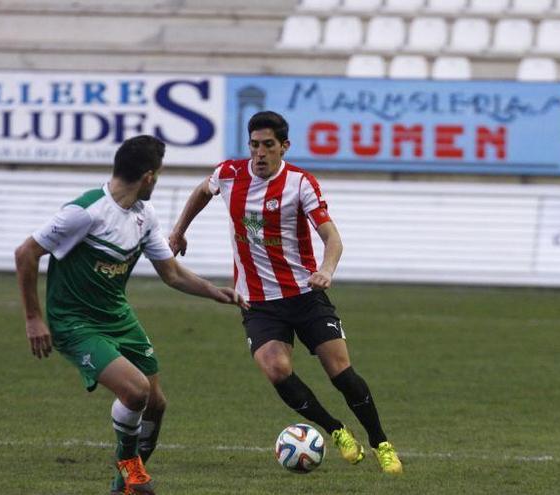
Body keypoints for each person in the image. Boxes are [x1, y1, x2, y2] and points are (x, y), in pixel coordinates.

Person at [168, 111, 403, 474]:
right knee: (277, 370)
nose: (260, 153)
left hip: (305, 295)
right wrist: (179, 230)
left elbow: (331, 236)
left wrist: (326, 270)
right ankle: (337, 431)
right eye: (255, 145)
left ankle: (380, 442)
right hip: (259, 302)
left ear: (284, 147)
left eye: (268, 146)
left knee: (341, 373)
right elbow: (202, 191)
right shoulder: (229, 174)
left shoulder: (300, 183)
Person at [14, 135, 249, 495]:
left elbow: (171, 273)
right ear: (149, 177)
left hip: (118, 317)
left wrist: (215, 292)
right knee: (136, 391)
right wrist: (34, 318)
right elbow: (25, 253)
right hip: (76, 323)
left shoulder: (144, 215)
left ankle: (120, 486)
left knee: (156, 403)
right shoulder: (85, 211)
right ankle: (130, 470)